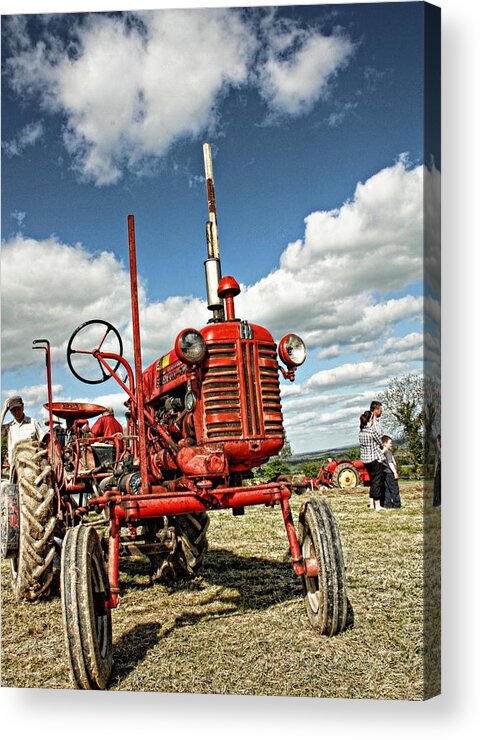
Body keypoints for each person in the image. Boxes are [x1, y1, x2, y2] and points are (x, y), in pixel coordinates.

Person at [1, 395, 46, 465]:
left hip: (33, 465)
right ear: (10, 412)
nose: (17, 412)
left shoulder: (33, 423)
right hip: (15, 466)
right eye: (13, 410)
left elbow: (44, 441)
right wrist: (4, 411)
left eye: (18, 409)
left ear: (23, 407)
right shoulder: (9, 426)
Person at [359, 409, 386, 511]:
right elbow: (380, 442)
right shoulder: (371, 431)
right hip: (374, 458)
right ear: (370, 419)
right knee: (377, 482)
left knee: (372, 481)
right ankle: (377, 505)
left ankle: (371, 504)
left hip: (365, 460)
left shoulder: (361, 432)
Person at [381, 435, 402, 508]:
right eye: (390, 443)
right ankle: (397, 504)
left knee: (387, 489)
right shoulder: (388, 452)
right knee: (394, 489)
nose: (391, 444)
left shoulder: (381, 453)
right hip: (390, 473)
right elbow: (390, 463)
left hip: (385, 473)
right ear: (384, 443)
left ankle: (387, 504)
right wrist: (395, 472)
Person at [433, 433, 441, 506]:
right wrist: (435, 472)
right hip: (439, 471)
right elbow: (436, 462)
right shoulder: (438, 452)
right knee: (437, 487)